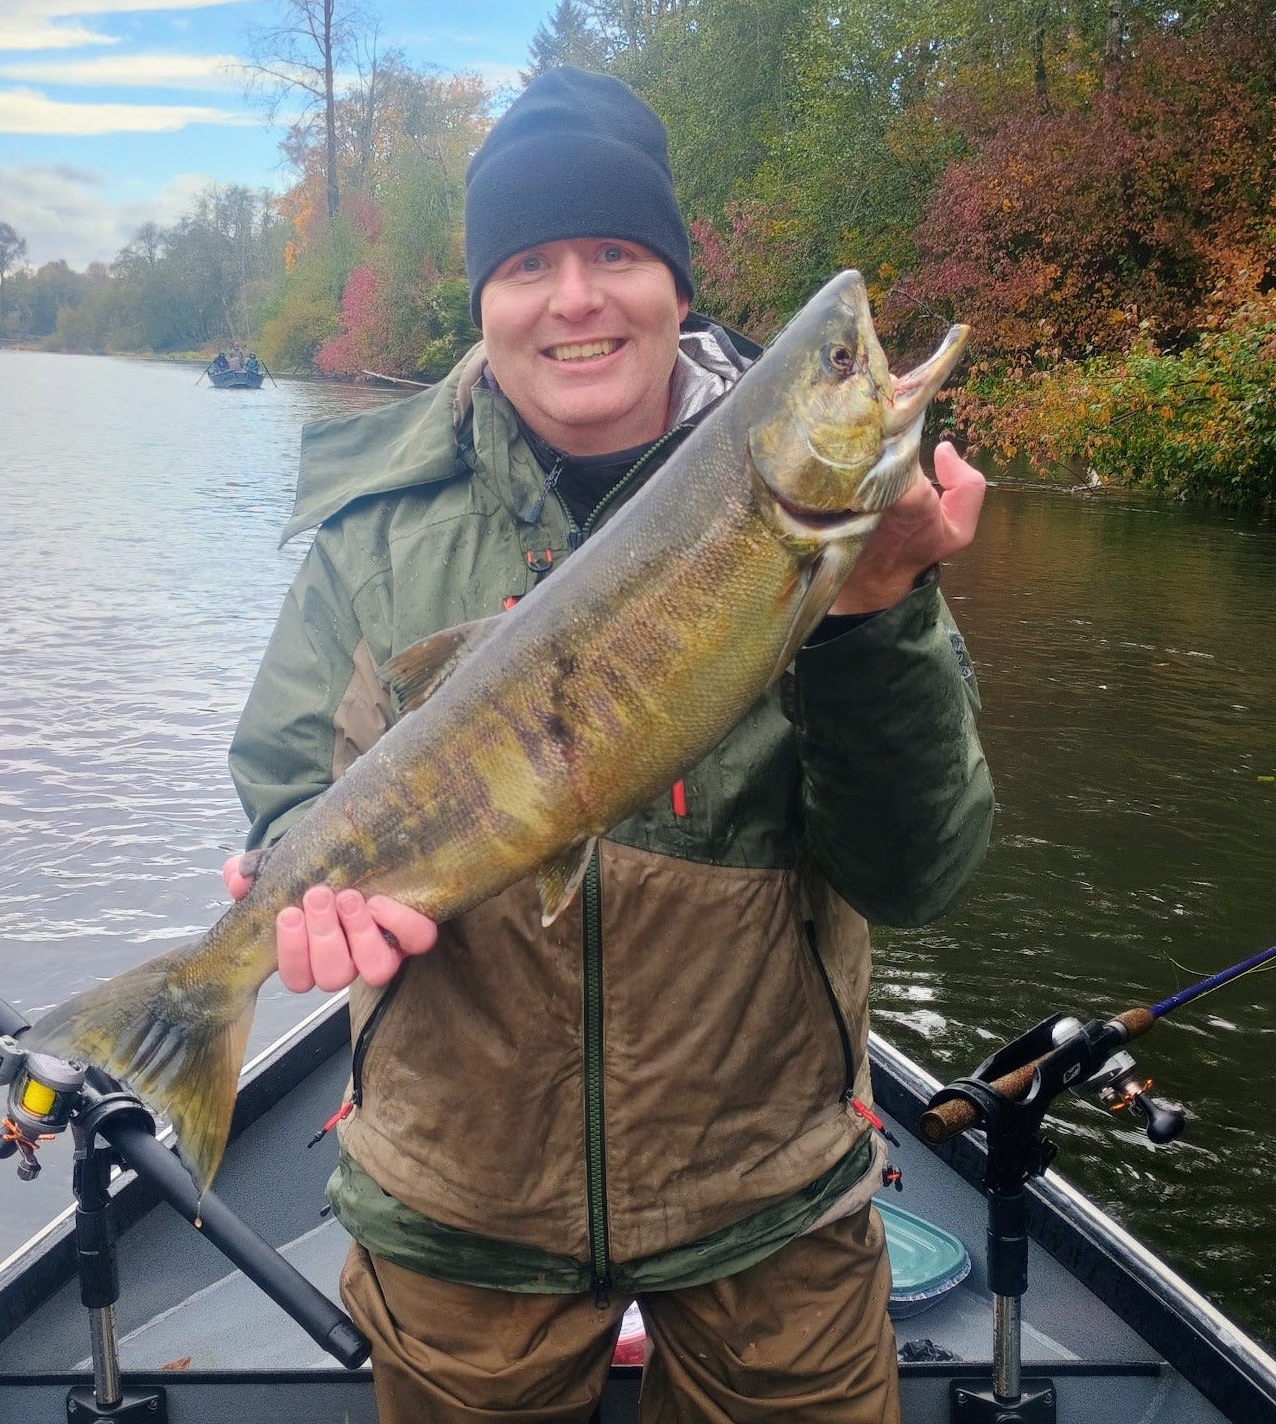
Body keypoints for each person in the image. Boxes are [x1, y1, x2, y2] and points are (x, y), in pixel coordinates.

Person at [224, 66, 993, 1423]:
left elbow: (917, 872)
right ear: (482, 300)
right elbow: (288, 794)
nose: (575, 299)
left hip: (771, 1206)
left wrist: (878, 618)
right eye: (528, 263)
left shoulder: (836, 538)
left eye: (616, 255)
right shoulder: (373, 527)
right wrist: (281, 883)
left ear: (676, 286)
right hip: (458, 1213)